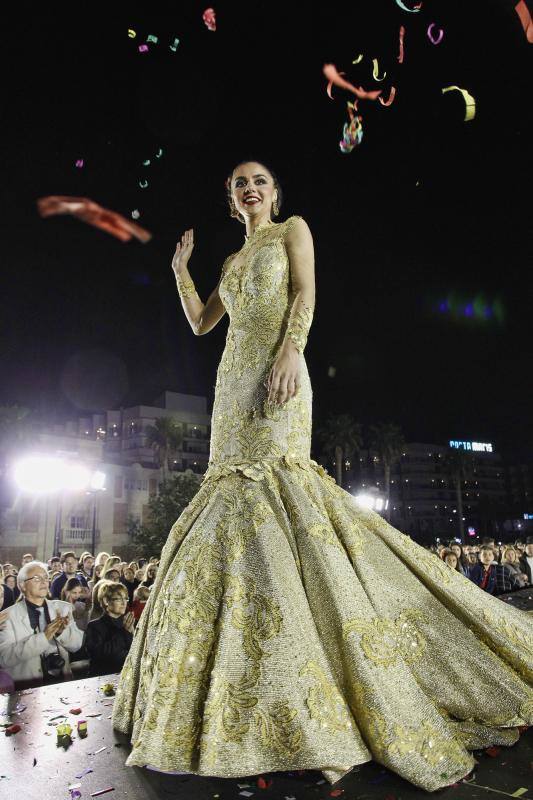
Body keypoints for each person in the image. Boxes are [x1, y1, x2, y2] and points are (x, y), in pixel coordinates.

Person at [111, 159, 533, 792]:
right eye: (238, 185)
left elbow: (305, 294)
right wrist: (178, 272)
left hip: (279, 375)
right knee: (230, 501)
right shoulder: (230, 262)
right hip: (231, 387)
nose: (249, 189)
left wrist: (290, 351)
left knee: (284, 491)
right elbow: (202, 322)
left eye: (258, 181)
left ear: (274, 192)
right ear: (232, 201)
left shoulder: (293, 232)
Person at [0, 561, 83, 688]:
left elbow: (76, 646)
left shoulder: (63, 608)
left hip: (61, 684)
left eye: (46, 578)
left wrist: (62, 633)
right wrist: (44, 637)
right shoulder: (8, 616)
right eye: (37, 578)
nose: (44, 582)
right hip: (26, 689)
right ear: (22, 585)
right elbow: (5, 659)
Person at [84, 582, 134, 677]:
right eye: (119, 599)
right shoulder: (94, 626)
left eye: (126, 599)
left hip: (126, 675)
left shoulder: (128, 623)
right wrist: (124, 632)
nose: (124, 603)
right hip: (103, 678)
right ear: (106, 601)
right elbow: (101, 655)